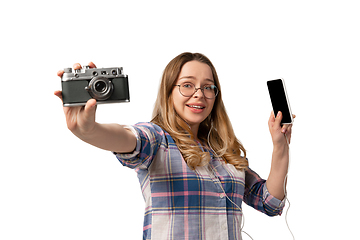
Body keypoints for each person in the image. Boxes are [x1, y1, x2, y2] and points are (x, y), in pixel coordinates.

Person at [55, 52, 295, 240]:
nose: (199, 94)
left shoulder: (224, 153)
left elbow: (270, 202)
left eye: (207, 87)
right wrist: (89, 130)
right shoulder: (157, 138)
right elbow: (127, 139)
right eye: (187, 85)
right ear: (169, 93)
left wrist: (280, 146)